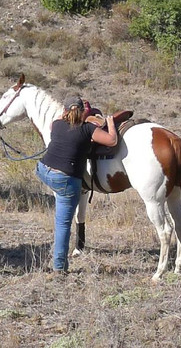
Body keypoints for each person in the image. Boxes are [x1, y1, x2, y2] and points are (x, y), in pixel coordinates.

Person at [36, 94, 118, 273]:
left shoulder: (56, 125)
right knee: (63, 223)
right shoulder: (88, 129)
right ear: (83, 112)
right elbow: (112, 140)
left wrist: (67, 113)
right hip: (66, 179)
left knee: (61, 209)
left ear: (64, 111)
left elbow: (59, 120)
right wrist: (110, 122)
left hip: (43, 170)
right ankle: (59, 267)